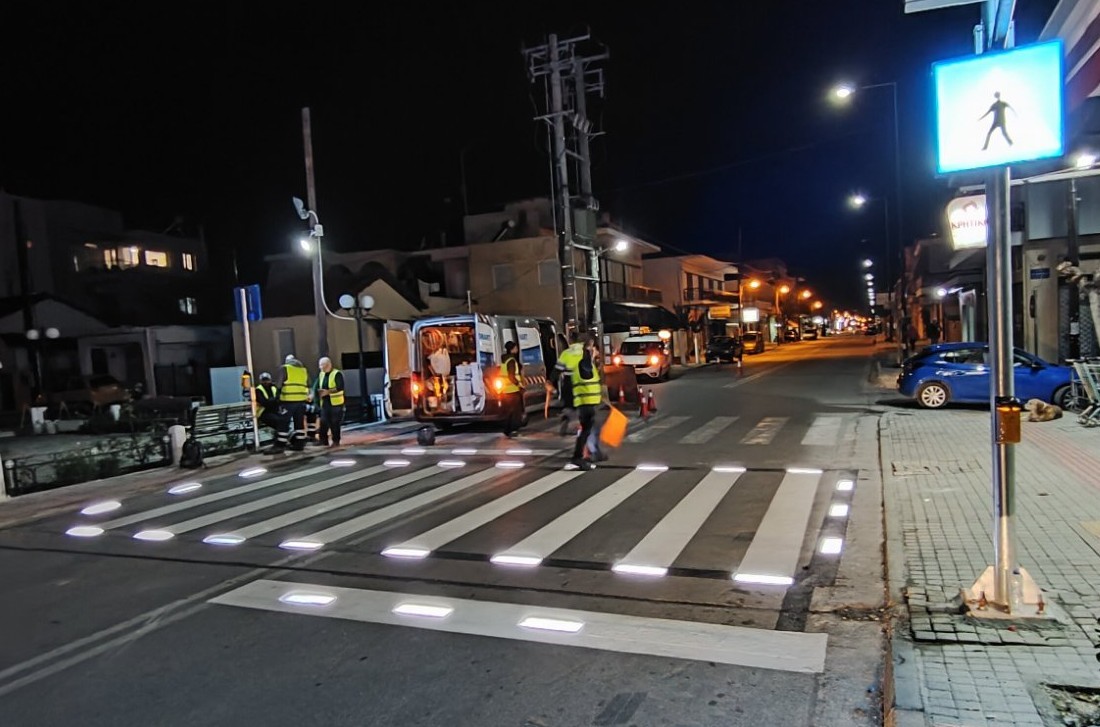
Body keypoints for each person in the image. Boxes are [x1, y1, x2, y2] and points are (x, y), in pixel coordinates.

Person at [565, 336, 602, 471]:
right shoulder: (584, 362)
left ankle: (581, 456)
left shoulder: (583, 363)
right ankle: (578, 457)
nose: (596, 351)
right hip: (586, 404)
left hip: (586, 403)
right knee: (586, 432)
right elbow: (587, 377)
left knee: (586, 432)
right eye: (594, 348)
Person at [553, 332, 584, 436]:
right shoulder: (585, 353)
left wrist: (551, 381)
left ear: (571, 341)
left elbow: (557, 369)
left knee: (568, 403)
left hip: (568, 382)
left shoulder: (566, 353)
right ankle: (576, 426)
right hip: (581, 382)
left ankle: (567, 418)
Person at [279, 354, 311, 450]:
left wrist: (278, 398)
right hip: (301, 401)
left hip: (288, 400)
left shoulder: (285, 368)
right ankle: (300, 444)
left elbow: (279, 384)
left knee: (283, 422)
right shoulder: (303, 370)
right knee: (299, 423)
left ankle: (280, 444)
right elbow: (308, 385)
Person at [314, 357, 345, 447]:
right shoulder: (321, 374)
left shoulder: (337, 374)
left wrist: (328, 391)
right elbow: (317, 385)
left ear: (328, 365)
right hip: (325, 402)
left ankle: (336, 441)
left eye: (323, 366)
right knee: (323, 422)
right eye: (320, 366)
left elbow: (340, 387)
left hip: (336, 403)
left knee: (334, 423)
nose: (321, 368)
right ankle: (323, 440)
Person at [254, 372, 289, 451]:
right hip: (263, 413)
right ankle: (278, 444)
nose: (266, 382)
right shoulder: (258, 389)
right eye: (264, 380)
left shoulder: (274, 387)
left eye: (267, 380)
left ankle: (281, 443)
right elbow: (263, 402)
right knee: (279, 422)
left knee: (284, 421)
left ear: (270, 380)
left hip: (275, 411)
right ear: (261, 381)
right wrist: (273, 401)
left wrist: (270, 401)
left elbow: (279, 399)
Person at [500, 341, 524, 437]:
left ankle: (507, 430)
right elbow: (511, 376)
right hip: (513, 389)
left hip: (505, 390)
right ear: (512, 349)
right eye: (516, 348)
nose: (517, 349)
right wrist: (519, 384)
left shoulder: (504, 359)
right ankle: (513, 430)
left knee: (509, 411)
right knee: (515, 411)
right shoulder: (511, 361)